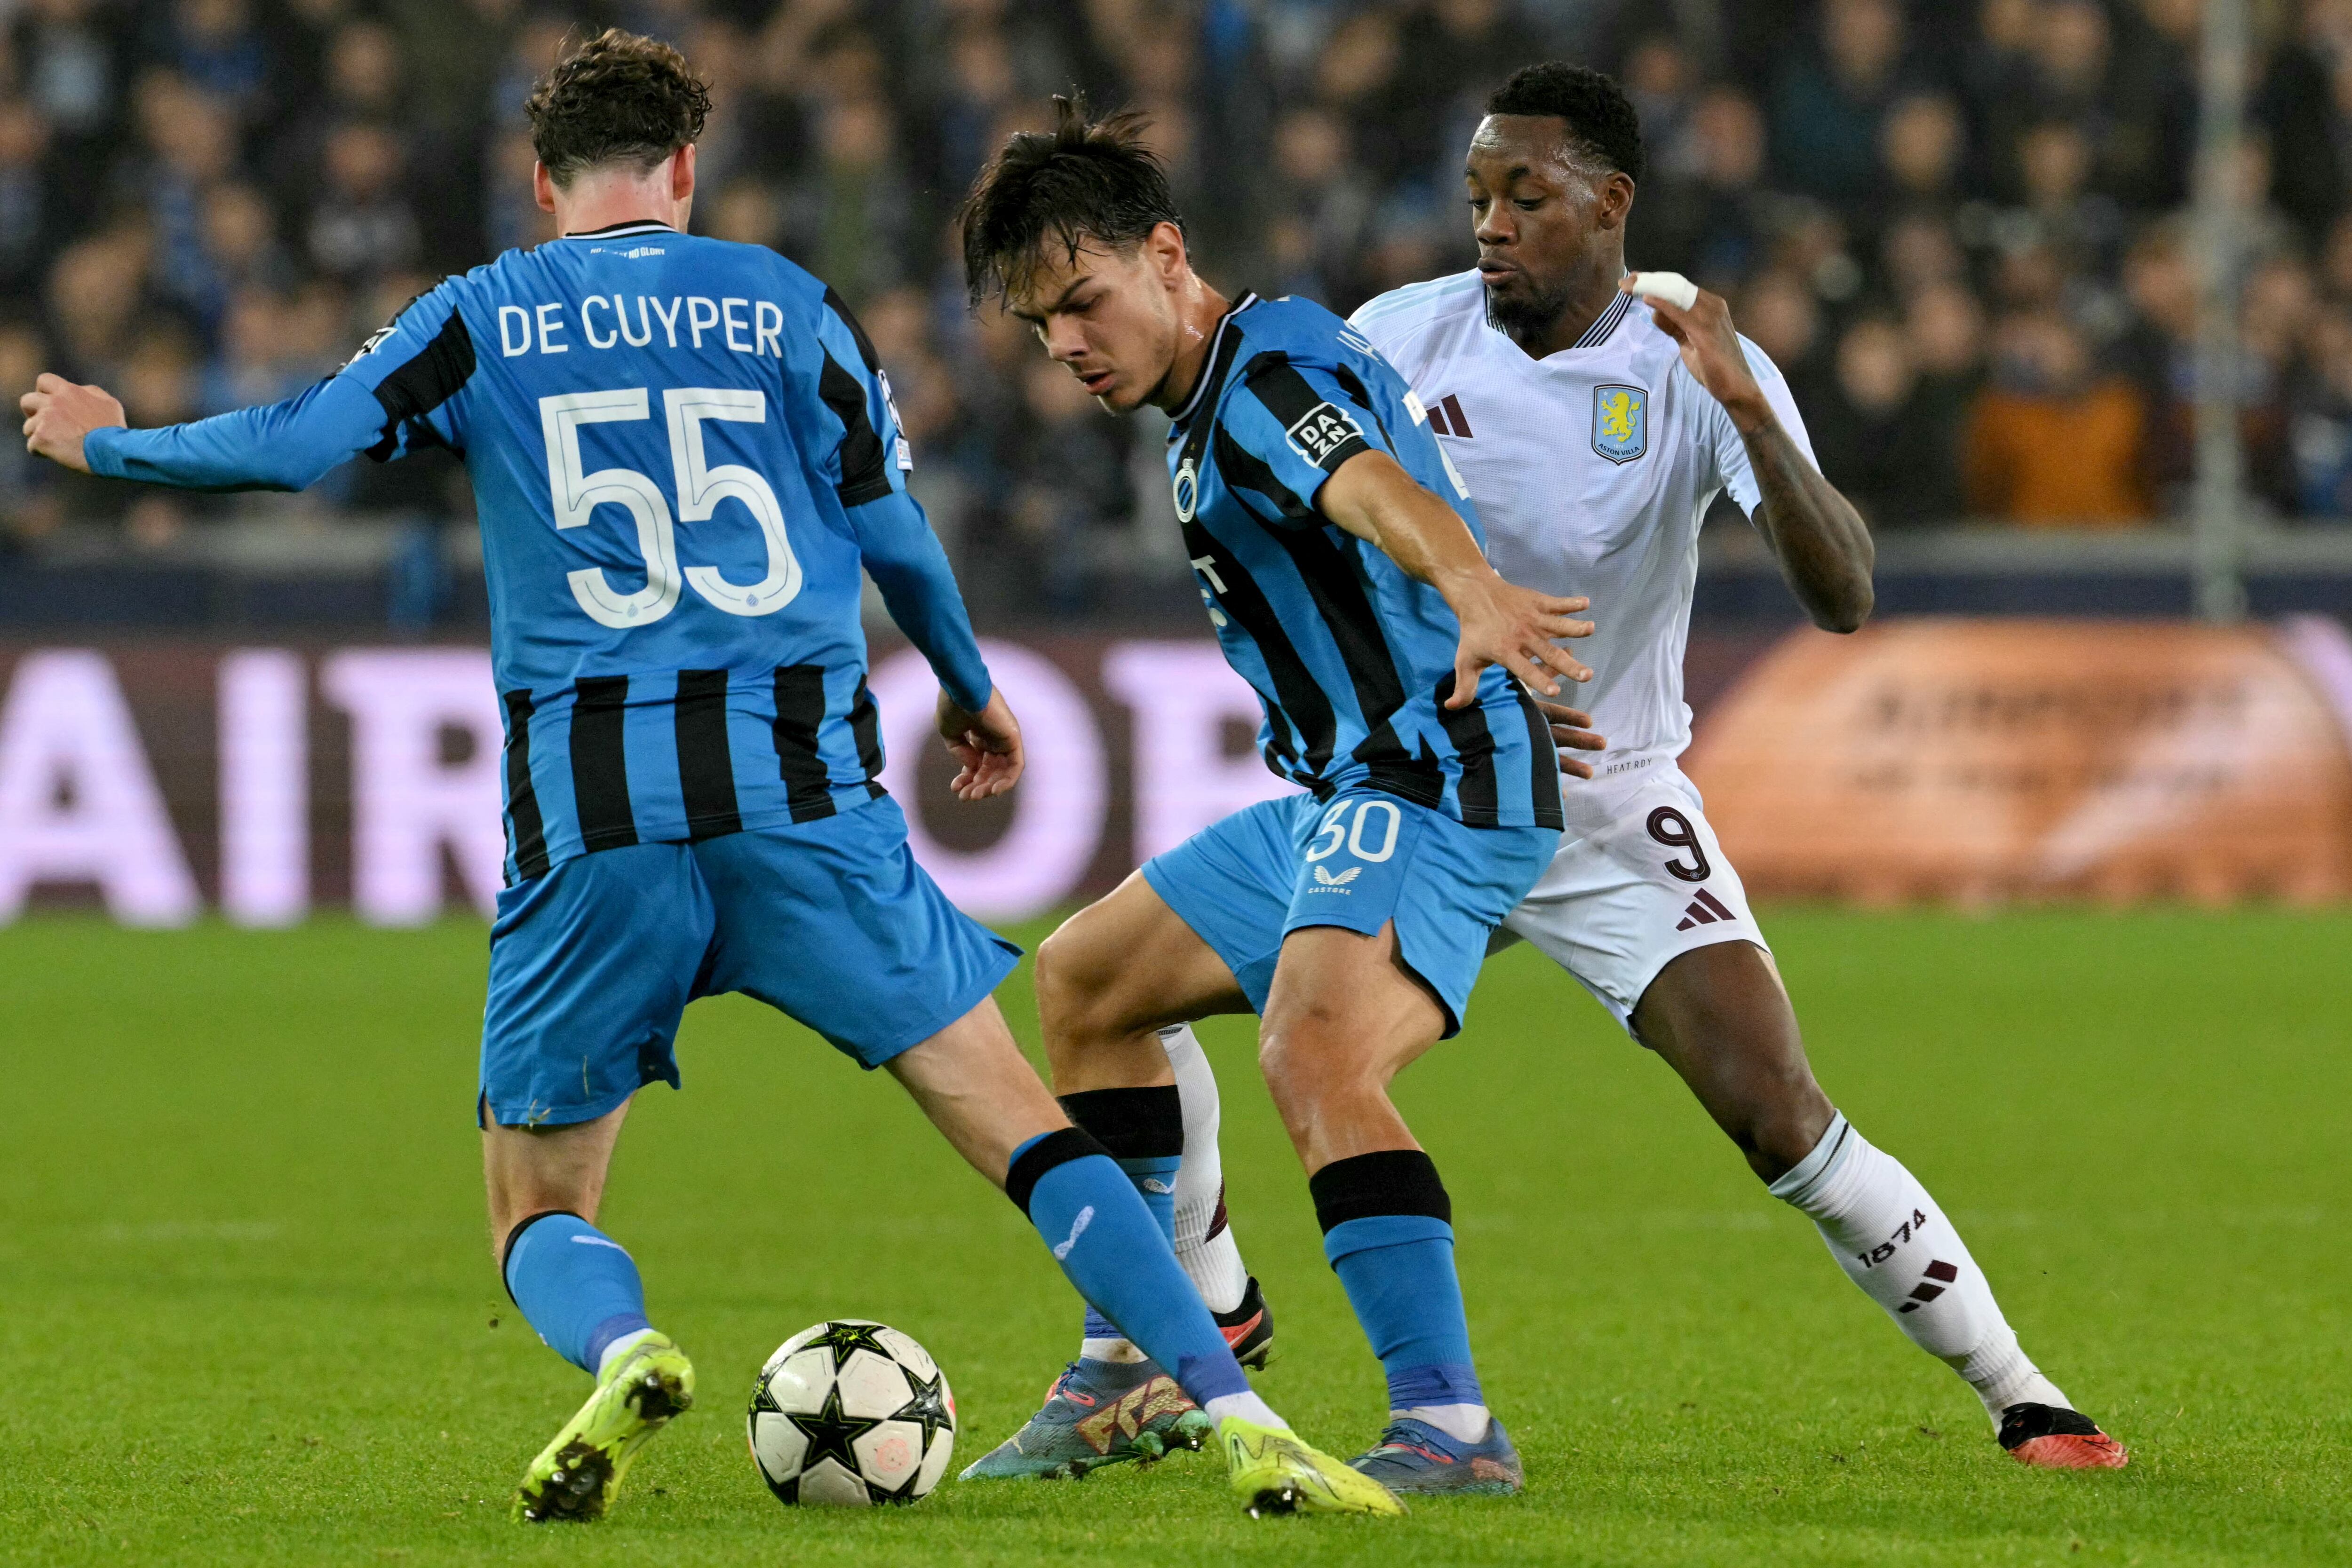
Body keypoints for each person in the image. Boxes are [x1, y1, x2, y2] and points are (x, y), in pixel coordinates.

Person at [16, 31, 1397, 1525]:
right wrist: (971, 686)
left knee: (538, 1206)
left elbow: (293, 449)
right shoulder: (791, 310)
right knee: (1025, 1124)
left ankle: (625, 1345)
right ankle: (1239, 1408)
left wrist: (113, 447)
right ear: (685, 172)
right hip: (799, 790)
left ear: (544, 182)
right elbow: (892, 536)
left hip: (594, 809)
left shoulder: (481, 313)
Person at [1149, 63, 2130, 1477]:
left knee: (1776, 1109)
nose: (1489, 224)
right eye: (1478, 195)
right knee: (1202, 1015)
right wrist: (1441, 684)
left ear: (1611, 205)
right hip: (1421, 782)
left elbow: (1845, 591)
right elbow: (1322, 547)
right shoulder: (1398, 336)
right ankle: (1238, 1323)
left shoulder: (1689, 363)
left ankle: (2022, 1390)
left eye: (1525, 197)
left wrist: (1746, 412)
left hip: (1609, 801)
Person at [955, 96, 1595, 1495]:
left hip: (1432, 777)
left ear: (1167, 254)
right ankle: (1145, 1353)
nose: (1067, 345)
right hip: (1345, 787)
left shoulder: (1258, 378)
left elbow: (1364, 486)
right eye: (1040, 326)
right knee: (1087, 984)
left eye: (1083, 301)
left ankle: (1450, 1426)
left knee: (1315, 1056)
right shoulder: (1208, 390)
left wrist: (1471, 584)